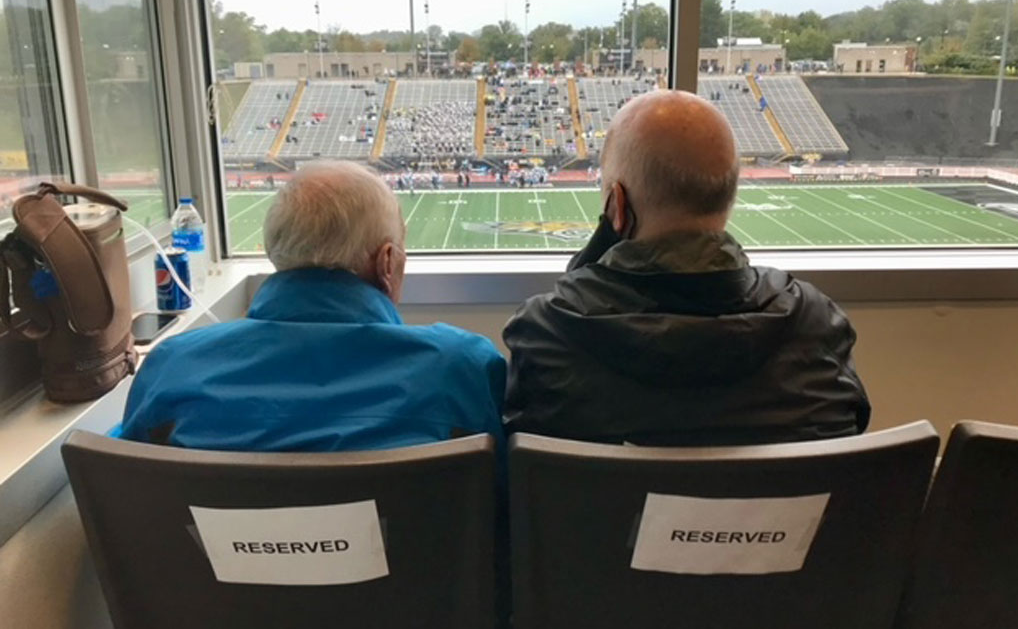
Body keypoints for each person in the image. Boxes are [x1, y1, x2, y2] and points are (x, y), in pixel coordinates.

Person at [502, 90, 869, 447]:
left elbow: (529, 486)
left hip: (611, 511)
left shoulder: (547, 333)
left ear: (618, 206)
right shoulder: (816, 323)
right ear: (728, 199)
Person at [121, 161, 506, 453]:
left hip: (220, 562)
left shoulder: (171, 367)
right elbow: (503, 504)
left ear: (275, 250)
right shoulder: (462, 367)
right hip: (410, 561)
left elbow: (134, 488)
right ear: (387, 262)